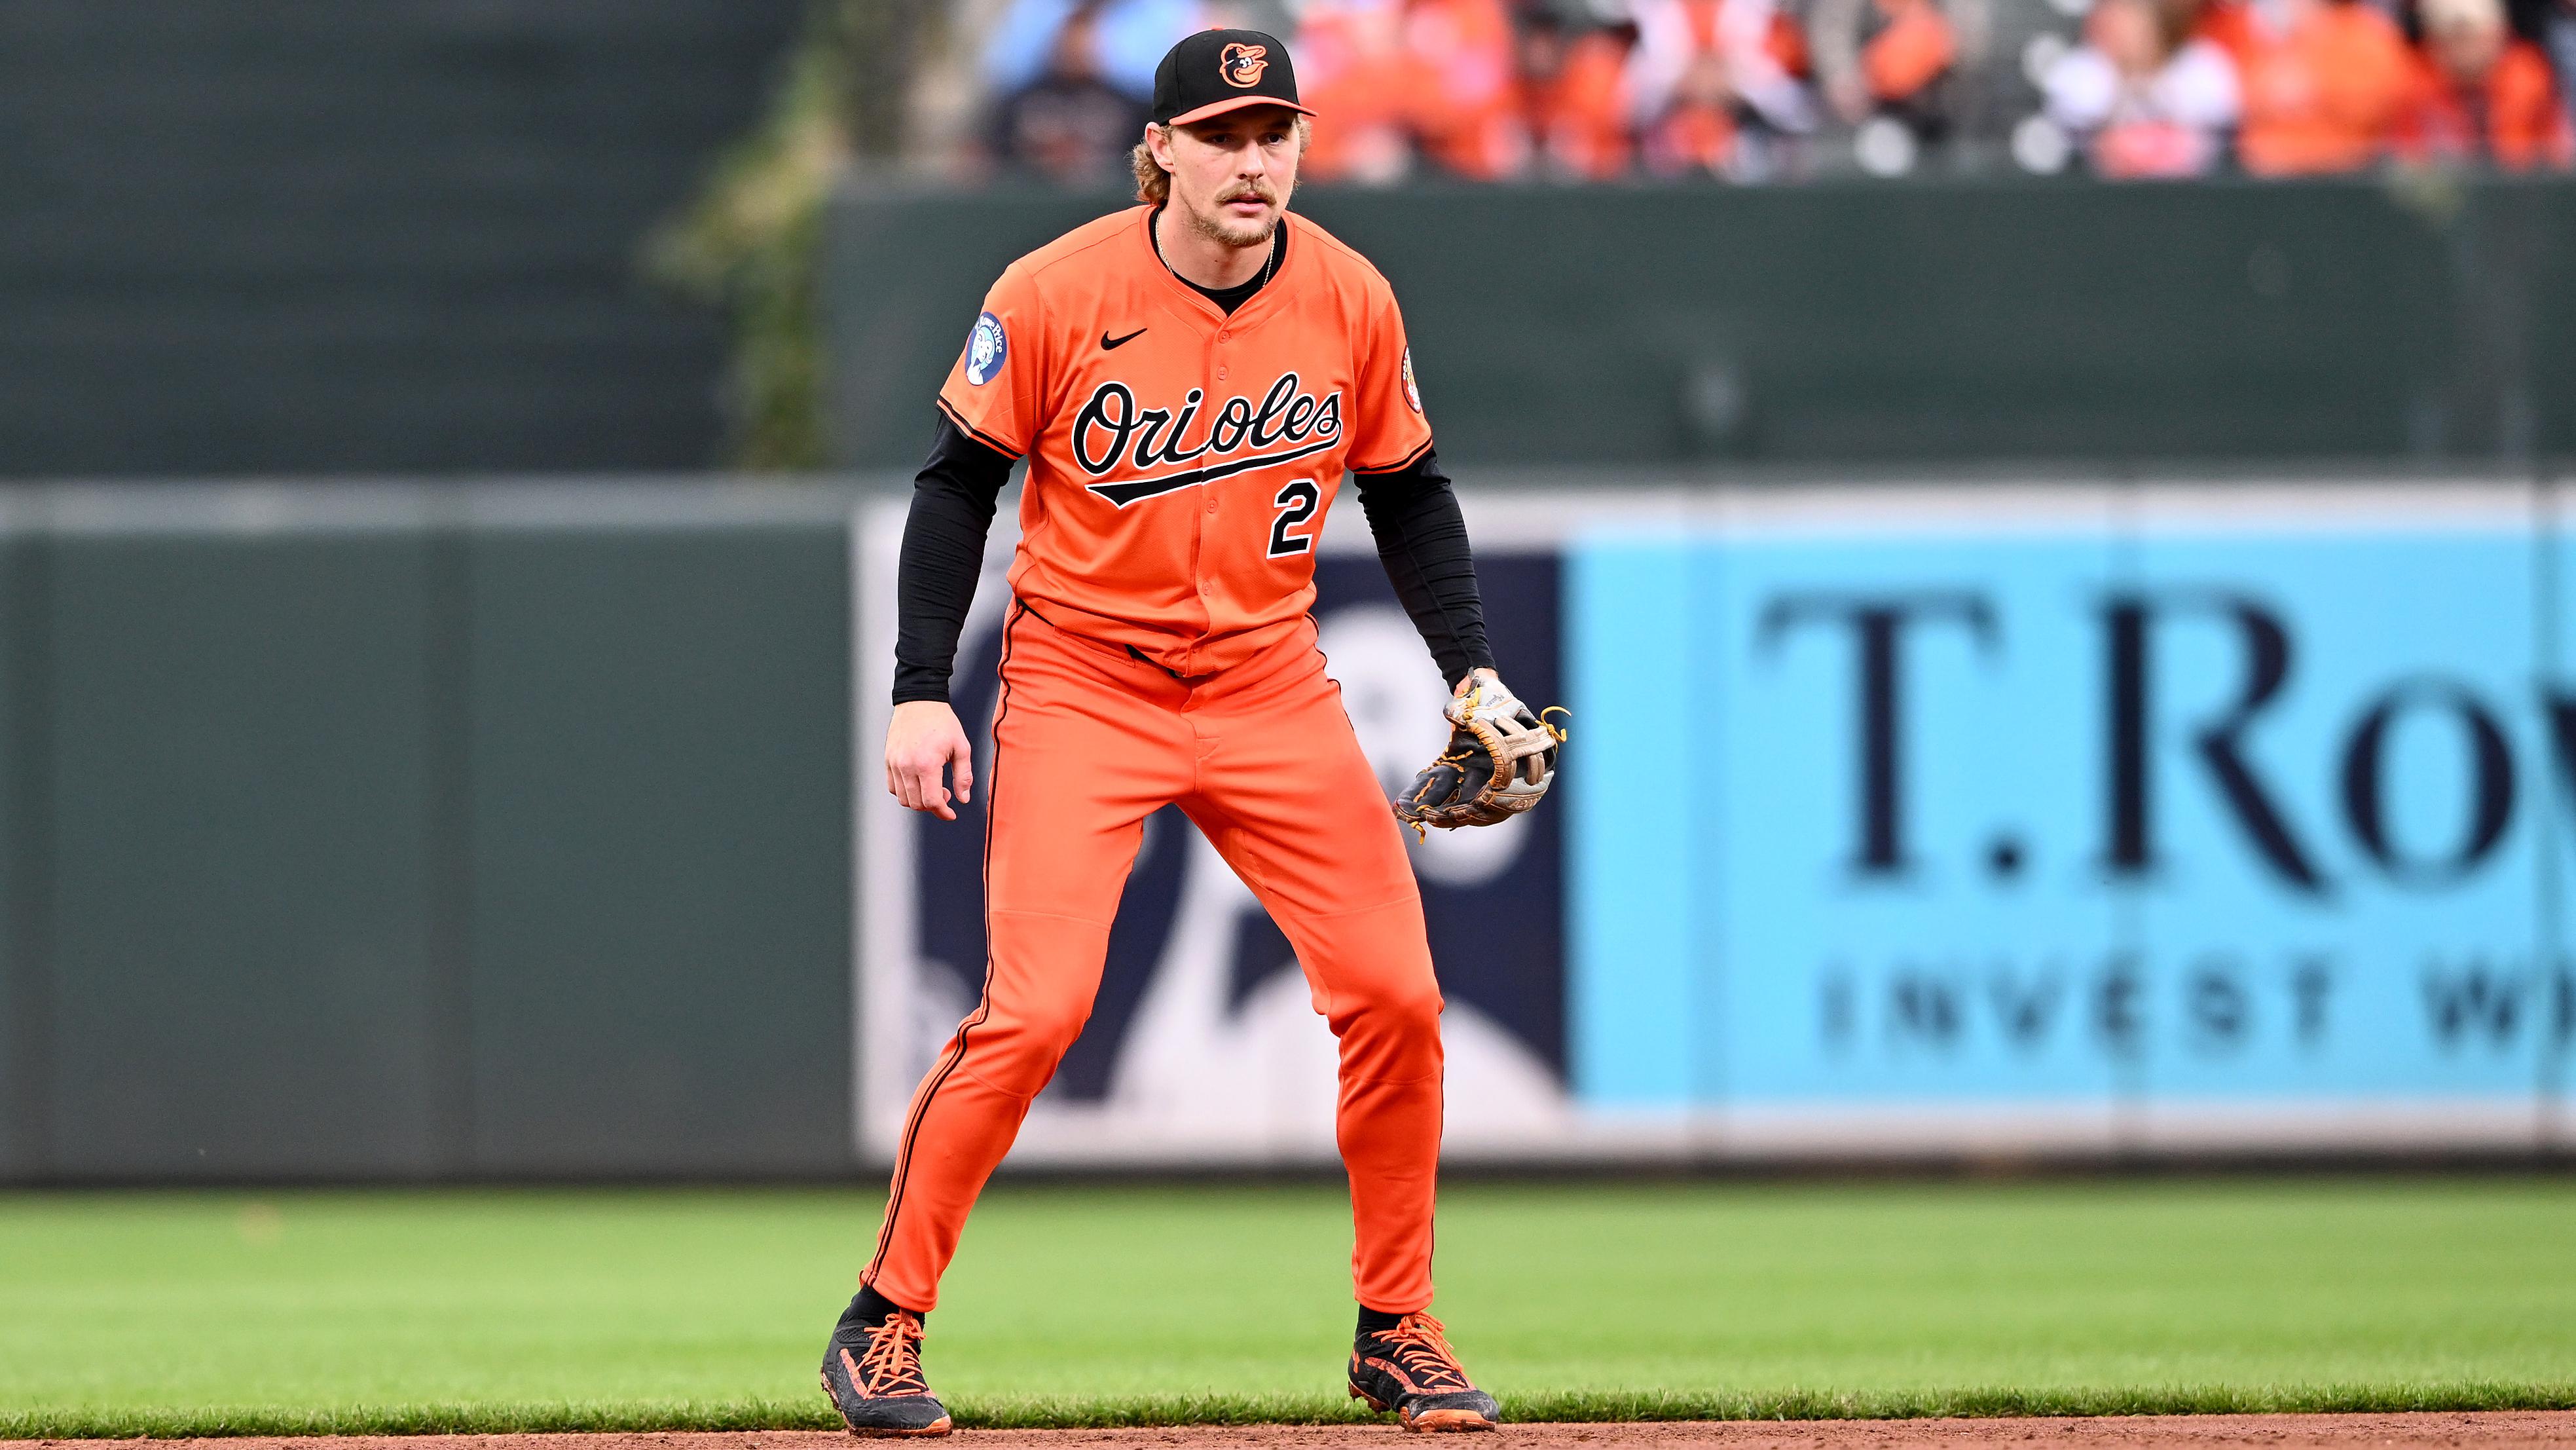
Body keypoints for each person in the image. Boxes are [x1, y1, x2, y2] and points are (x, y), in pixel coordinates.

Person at [817, 28, 1536, 1439]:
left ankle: (1395, 1327)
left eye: (1272, 133)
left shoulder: (1349, 293)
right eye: (1219, 136)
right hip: (1085, 682)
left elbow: (1406, 489)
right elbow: (956, 486)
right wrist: (917, 685)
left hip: (1270, 684)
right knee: (1034, 1013)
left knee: (1395, 998)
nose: (1249, 160)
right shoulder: (1052, 288)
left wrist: (1470, 671)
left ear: (1300, 145)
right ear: (1159, 151)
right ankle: (882, 1318)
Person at [2043, 0, 2241, 176]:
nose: (2122, 30)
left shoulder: (2203, 66)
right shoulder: (2082, 72)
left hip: (2192, 194)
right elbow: (2079, 139)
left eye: (2134, 19)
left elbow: (2217, 140)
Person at [2235, 0, 2414, 173]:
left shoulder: (2367, 35)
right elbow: (2245, 97)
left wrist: (2316, 91)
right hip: (2267, 173)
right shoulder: (2277, 41)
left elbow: (2373, 104)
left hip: (2341, 174)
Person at [2397, 0, 2573, 168]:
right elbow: (2406, 162)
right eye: (2452, 38)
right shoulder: (2413, 86)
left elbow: (2560, 156)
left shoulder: (2530, 77)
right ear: (2431, 42)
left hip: (2522, 185)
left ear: (2498, 34)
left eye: (2475, 36)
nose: (2465, 50)